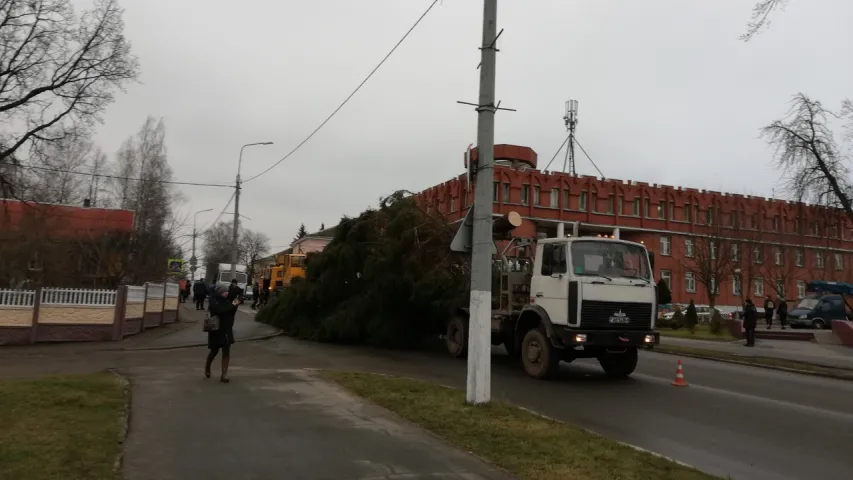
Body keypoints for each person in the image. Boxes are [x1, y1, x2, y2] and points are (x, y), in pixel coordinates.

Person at [205, 284, 238, 382]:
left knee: (226, 352)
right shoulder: (213, 300)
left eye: (227, 291)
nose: (226, 293)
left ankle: (224, 374)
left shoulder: (227, 301)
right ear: (220, 292)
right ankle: (207, 366)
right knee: (214, 351)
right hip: (217, 330)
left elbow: (231, 313)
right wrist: (233, 305)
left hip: (227, 329)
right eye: (224, 291)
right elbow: (220, 310)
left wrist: (235, 305)